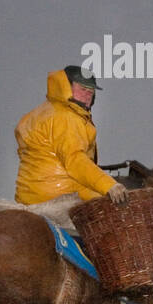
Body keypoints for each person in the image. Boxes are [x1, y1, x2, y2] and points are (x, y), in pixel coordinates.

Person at [14, 65, 127, 207]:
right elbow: (75, 160)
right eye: (82, 89)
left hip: (28, 194)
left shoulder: (38, 113)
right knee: (117, 213)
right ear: (65, 87)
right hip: (61, 194)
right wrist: (109, 185)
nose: (87, 95)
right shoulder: (67, 118)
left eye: (91, 92)